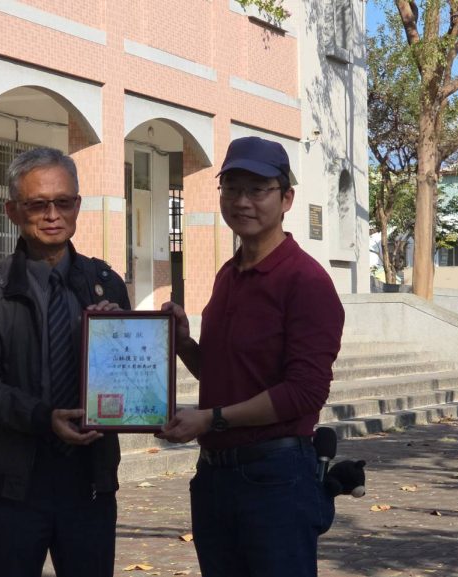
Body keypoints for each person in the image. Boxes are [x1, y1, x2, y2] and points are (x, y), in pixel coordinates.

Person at [159, 136, 345, 577]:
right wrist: (184, 344)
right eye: (232, 188)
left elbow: (304, 392)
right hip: (214, 478)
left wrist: (210, 419)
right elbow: (224, 375)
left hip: (276, 478)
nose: (242, 202)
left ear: (286, 199)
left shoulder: (306, 282)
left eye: (257, 190)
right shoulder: (229, 274)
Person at [0, 146, 130, 577]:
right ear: (13, 211)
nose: (53, 215)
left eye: (63, 202)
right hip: (12, 486)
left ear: (77, 206)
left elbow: (128, 381)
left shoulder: (106, 285)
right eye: (37, 204)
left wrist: (116, 339)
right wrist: (43, 417)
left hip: (89, 483)